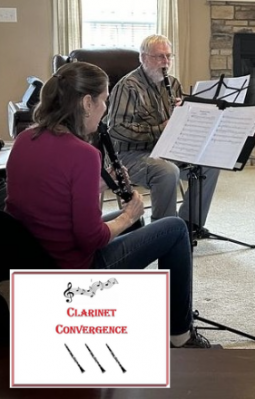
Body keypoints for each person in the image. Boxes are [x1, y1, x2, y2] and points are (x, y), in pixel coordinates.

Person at [5, 62, 211, 348]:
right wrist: (128, 215)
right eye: (104, 100)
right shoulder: (84, 154)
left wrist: (98, 185)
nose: (106, 108)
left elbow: (50, 193)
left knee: (137, 225)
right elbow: (90, 237)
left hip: (34, 255)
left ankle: (121, 307)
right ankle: (180, 335)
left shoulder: (25, 139)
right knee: (174, 228)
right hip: (71, 268)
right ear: (87, 103)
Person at [106, 34, 219, 238]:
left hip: (165, 148)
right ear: (143, 58)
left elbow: (177, 125)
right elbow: (116, 128)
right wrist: (160, 128)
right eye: (159, 56)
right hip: (130, 155)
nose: (165, 62)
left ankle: (189, 224)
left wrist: (185, 114)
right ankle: (162, 233)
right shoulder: (128, 86)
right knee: (167, 171)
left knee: (209, 162)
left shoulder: (173, 84)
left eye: (168, 56)